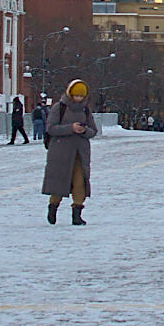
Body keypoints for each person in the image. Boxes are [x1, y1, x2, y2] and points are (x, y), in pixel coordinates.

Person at [42, 79, 97, 226]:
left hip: (80, 153)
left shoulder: (86, 110)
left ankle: (77, 214)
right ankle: (53, 207)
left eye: (81, 96)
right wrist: (70, 128)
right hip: (61, 152)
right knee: (60, 182)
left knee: (80, 183)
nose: (78, 99)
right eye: (76, 96)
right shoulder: (59, 108)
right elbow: (51, 128)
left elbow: (94, 131)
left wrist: (84, 130)